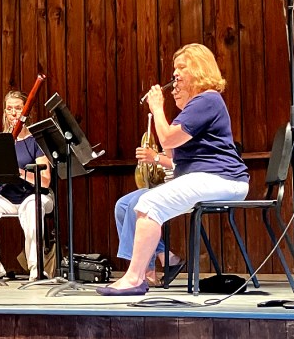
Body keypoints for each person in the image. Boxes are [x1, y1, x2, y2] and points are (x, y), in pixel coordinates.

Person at [98, 43, 249, 296]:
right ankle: (143, 271)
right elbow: (172, 152)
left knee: (149, 204)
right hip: (208, 179)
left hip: (222, 179)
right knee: (133, 203)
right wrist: (176, 108)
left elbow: (167, 139)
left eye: (182, 67)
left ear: (199, 68)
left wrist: (157, 109)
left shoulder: (207, 99)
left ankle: (136, 278)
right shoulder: (195, 106)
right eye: (174, 69)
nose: (175, 74)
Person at [0, 90, 54, 280]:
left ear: (26, 112)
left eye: (18, 108)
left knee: (32, 207)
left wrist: (18, 172)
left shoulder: (36, 141)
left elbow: (45, 180)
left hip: (34, 196)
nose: (14, 113)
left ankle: (36, 267)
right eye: (9, 109)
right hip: (5, 198)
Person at [115, 148, 185, 287]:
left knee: (137, 204)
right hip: (164, 186)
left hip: (182, 188)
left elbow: (185, 165)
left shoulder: (184, 138)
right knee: (122, 205)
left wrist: (156, 158)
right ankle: (165, 256)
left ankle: (148, 271)